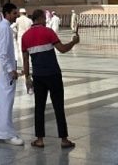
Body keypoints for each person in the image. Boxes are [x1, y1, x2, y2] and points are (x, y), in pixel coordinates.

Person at [22, 8, 78, 149]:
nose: (46, 21)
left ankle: (39, 139)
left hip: (38, 76)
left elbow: (25, 60)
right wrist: (74, 42)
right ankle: (64, 139)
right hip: (53, 75)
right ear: (40, 18)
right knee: (58, 106)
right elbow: (63, 49)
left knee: (39, 108)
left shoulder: (25, 37)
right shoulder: (48, 32)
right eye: (44, 19)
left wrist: (27, 78)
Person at [0, 2, 23, 146]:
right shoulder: (4, 28)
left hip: (4, 72)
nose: (16, 16)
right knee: (5, 102)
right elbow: (2, 52)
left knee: (1, 102)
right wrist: (10, 70)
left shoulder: (5, 27)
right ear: (8, 14)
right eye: (14, 13)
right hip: (5, 73)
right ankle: (7, 133)